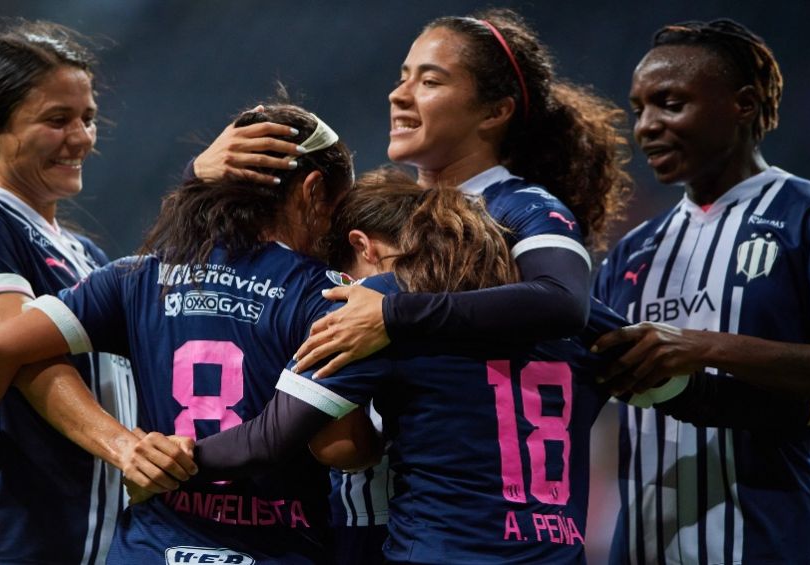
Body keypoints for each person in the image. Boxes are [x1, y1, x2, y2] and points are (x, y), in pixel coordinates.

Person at [184, 170, 810, 564]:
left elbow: (267, 442)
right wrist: (807, 410)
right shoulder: (581, 325)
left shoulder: (379, 316)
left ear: (365, 248)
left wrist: (162, 459)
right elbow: (706, 401)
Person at [189, 9, 633, 561]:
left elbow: (564, 303)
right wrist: (199, 180)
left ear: (495, 111)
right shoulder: (386, 213)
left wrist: (391, 313)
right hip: (382, 520)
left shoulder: (519, 212)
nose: (399, 95)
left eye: (430, 80)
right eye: (403, 77)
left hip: (433, 526)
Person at [0, 103, 356, 564]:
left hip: (150, 549)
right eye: (342, 209)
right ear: (314, 191)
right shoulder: (326, 295)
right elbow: (343, 447)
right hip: (274, 549)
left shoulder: (137, 277)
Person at [0, 20, 159, 564]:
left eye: (87, 118)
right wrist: (124, 446)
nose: (82, 137)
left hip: (82, 542)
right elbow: (15, 347)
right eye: (57, 120)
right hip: (5, 537)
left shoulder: (86, 254)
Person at [590, 19, 810, 564]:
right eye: (639, 110)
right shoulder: (632, 252)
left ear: (743, 105)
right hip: (642, 546)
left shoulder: (808, 218)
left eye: (670, 104)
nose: (646, 126)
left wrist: (704, 347)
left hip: (773, 542)